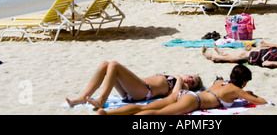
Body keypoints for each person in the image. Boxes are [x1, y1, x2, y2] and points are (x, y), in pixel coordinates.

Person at [97, 65, 268, 115]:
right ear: (244, 82)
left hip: (182, 95)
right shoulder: (236, 90)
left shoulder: (222, 82)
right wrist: (251, 95)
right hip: (194, 101)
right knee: (158, 114)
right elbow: (262, 102)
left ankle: (107, 114)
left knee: (146, 107)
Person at [65, 61, 203, 109]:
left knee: (114, 65)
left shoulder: (182, 85)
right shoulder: (176, 77)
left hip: (145, 92)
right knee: (105, 64)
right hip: (134, 90)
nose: (190, 80)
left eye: (193, 82)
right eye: (191, 77)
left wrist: (180, 80)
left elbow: (174, 96)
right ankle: (84, 97)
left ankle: (102, 100)